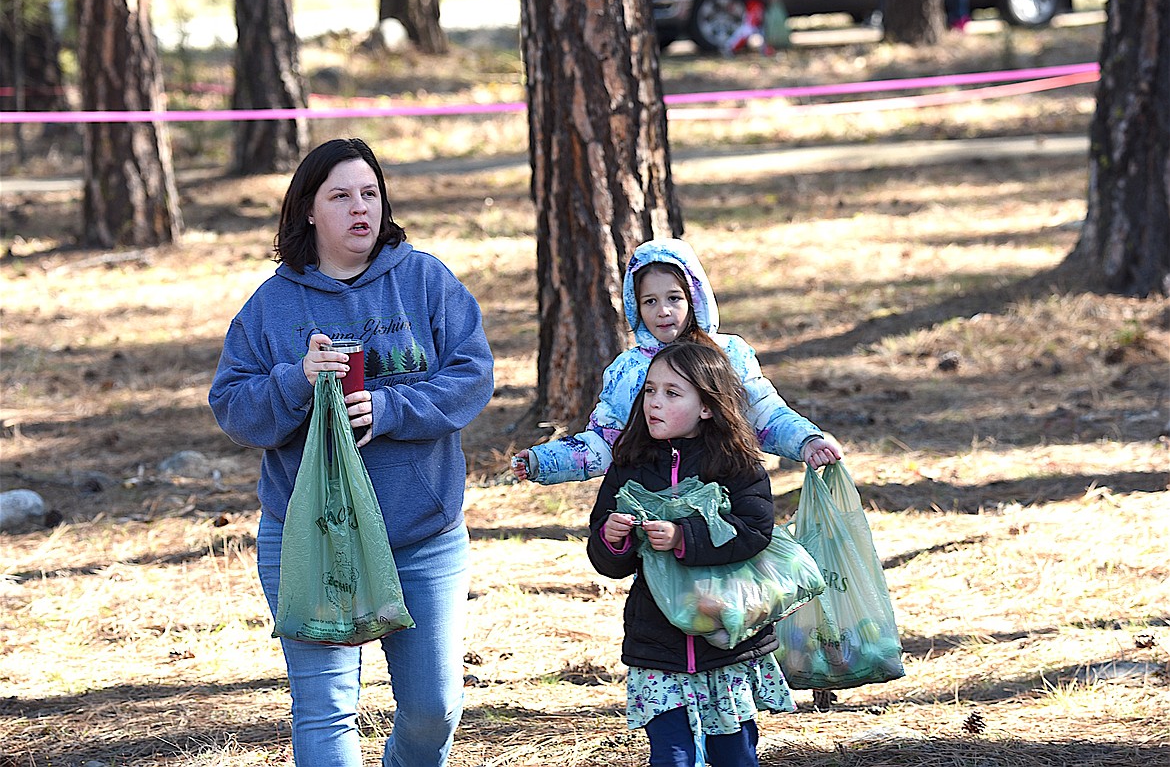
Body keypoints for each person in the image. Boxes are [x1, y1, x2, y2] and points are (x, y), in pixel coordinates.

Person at [208, 137, 494, 767]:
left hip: (420, 534)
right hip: (311, 539)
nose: (359, 208)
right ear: (309, 210)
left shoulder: (424, 281)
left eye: (370, 194)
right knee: (326, 713)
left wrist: (391, 410)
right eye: (340, 196)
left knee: (433, 711)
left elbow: (472, 375)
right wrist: (296, 380)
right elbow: (231, 406)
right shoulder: (272, 305)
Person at [587, 340, 795, 766]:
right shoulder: (630, 463)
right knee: (672, 756)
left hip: (725, 640)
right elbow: (607, 560)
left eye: (672, 393)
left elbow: (755, 530)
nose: (654, 403)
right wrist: (613, 537)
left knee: (733, 755)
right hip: (657, 642)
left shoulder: (736, 463)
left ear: (707, 406)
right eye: (649, 391)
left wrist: (685, 537)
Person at [511, 237, 841, 484]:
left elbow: (765, 416)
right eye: (650, 301)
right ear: (635, 307)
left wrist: (807, 440)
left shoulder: (727, 356)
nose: (663, 311)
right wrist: (546, 462)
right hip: (655, 498)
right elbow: (604, 442)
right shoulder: (628, 371)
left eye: (674, 298)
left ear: (695, 297)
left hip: (726, 493)